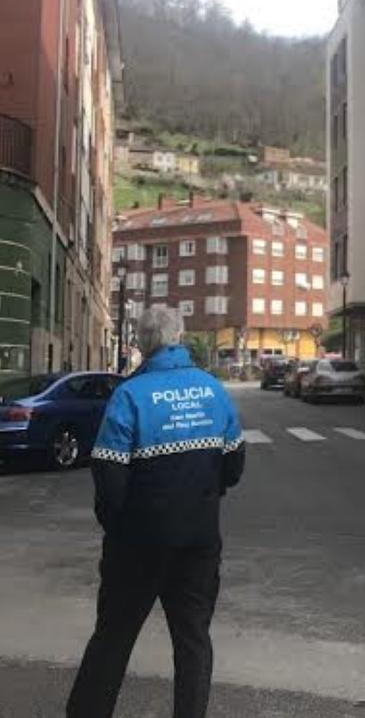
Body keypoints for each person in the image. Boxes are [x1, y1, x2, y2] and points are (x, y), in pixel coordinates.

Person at [67, 305, 246, 718]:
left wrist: (118, 526)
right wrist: (203, 496)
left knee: (113, 637)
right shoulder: (213, 389)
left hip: (137, 543)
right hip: (198, 540)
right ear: (179, 337)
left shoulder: (129, 394)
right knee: (193, 640)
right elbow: (234, 467)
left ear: (143, 344)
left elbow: (109, 477)